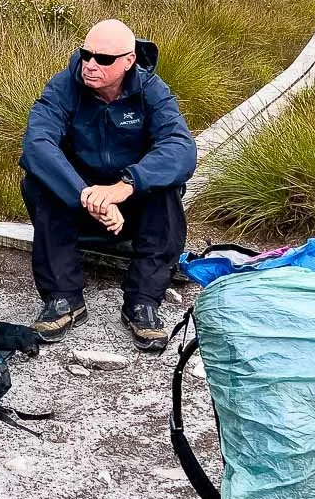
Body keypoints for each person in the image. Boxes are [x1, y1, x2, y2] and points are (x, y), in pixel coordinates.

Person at [18, 19, 197, 347]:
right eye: (86, 55)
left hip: (130, 209)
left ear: (129, 61)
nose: (90, 65)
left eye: (103, 59)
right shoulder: (64, 87)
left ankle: (142, 300)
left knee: (167, 188)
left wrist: (124, 187)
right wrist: (86, 195)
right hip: (77, 205)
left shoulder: (151, 91)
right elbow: (37, 143)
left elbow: (180, 147)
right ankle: (64, 296)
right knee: (38, 181)